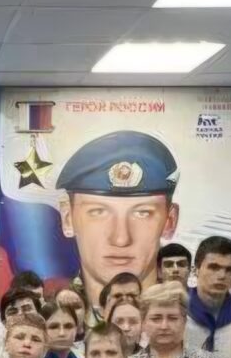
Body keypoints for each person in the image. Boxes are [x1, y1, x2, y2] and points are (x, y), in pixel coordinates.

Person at [53, 130, 182, 312]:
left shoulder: (191, 319)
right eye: (98, 212)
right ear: (68, 219)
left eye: (142, 213)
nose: (121, 239)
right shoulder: (49, 317)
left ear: (170, 221)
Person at [184, 236, 231, 358]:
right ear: (196, 270)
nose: (222, 275)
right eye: (214, 267)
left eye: (230, 269)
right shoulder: (174, 312)